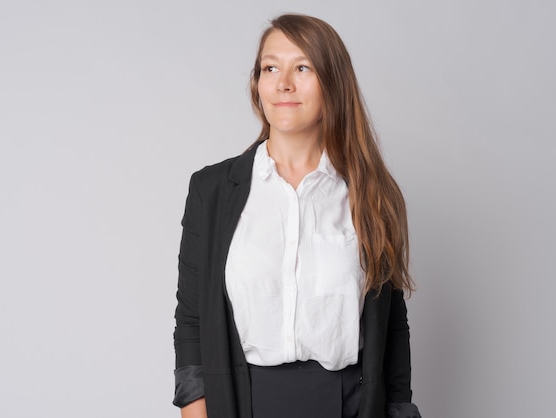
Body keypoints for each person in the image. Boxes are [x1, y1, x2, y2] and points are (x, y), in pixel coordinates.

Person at [172, 13, 421, 418]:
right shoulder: (212, 190)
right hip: (241, 401)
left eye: (302, 67)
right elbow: (192, 320)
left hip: (349, 404)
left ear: (333, 83)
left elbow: (392, 328)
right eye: (270, 68)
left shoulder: (373, 193)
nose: (283, 82)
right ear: (257, 84)